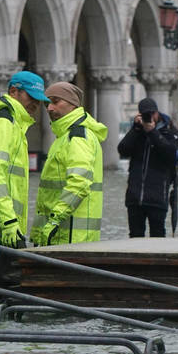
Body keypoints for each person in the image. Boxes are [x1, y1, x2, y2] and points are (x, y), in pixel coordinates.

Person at [0, 70, 49, 287]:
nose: (36, 104)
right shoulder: (4, 122)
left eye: (39, 100)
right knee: (9, 288)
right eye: (31, 97)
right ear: (13, 92)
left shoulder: (11, 122)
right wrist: (9, 221)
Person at [30, 82, 107, 246]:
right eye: (46, 103)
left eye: (56, 101)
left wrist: (54, 220)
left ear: (73, 105)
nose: (49, 108)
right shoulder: (64, 136)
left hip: (69, 235)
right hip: (63, 234)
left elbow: (79, 183)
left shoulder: (77, 137)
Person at [117, 97, 178, 237]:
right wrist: (136, 129)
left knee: (158, 236)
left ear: (157, 113)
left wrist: (152, 132)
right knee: (135, 236)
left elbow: (171, 155)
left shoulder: (168, 132)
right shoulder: (138, 132)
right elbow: (123, 150)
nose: (149, 117)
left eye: (151, 113)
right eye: (145, 114)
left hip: (157, 197)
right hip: (135, 197)